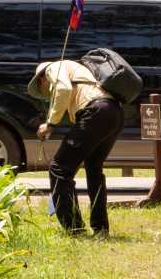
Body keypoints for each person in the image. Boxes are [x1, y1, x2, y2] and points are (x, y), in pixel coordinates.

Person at [29, 58, 125, 237]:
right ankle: (101, 228)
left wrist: (50, 123)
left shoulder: (53, 68)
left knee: (59, 169)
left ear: (42, 79)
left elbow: (63, 89)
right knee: (94, 169)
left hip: (95, 112)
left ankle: (74, 228)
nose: (46, 94)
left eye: (42, 89)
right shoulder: (77, 69)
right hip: (114, 113)